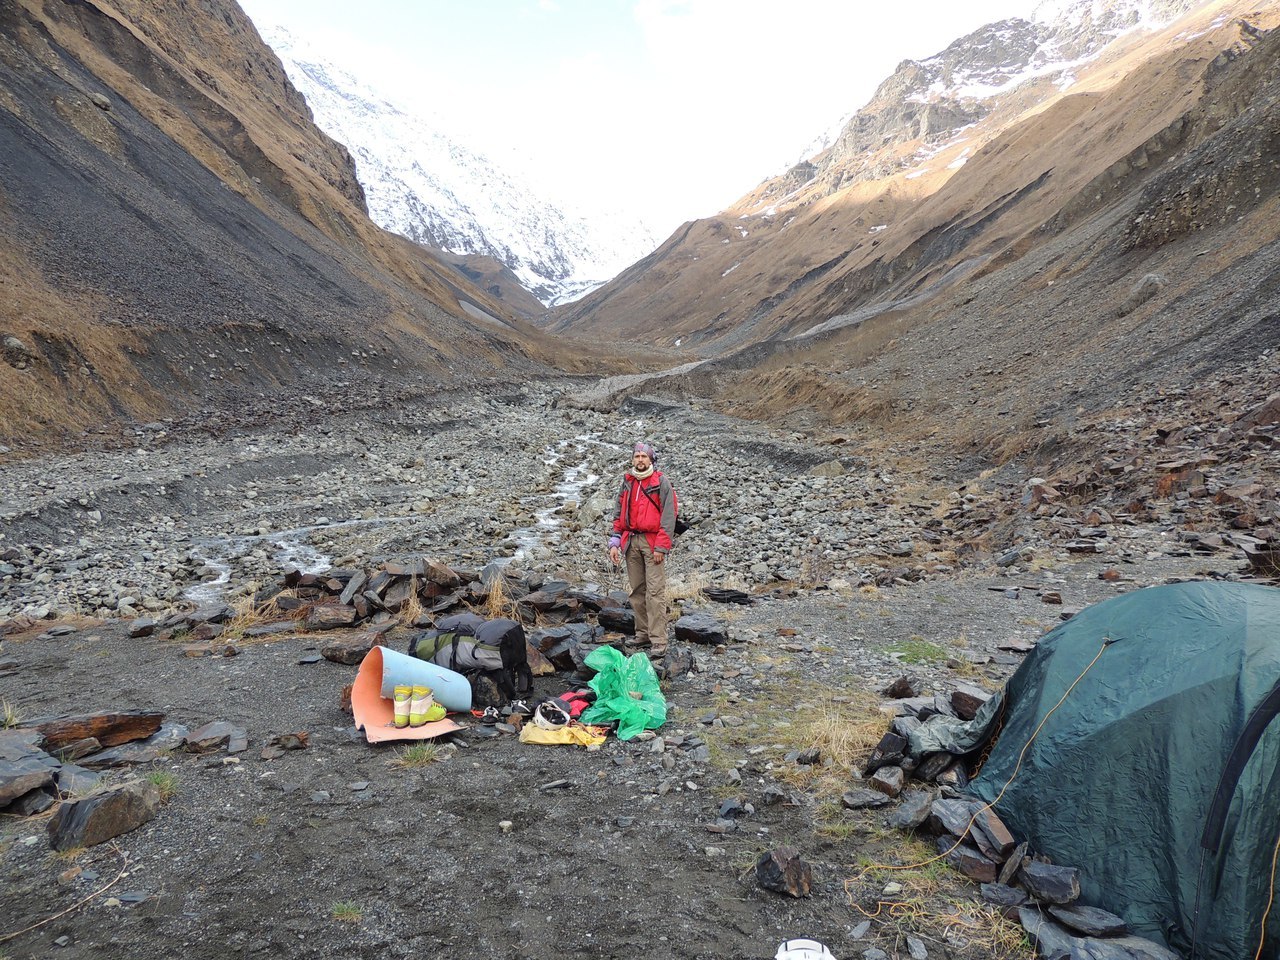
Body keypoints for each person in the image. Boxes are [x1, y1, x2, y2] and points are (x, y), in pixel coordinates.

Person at [607, 441, 676, 655]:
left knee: (655, 592)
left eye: (644, 457)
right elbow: (620, 512)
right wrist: (615, 540)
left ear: (651, 460)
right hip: (631, 542)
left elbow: (669, 515)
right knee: (637, 591)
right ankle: (643, 634)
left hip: (652, 542)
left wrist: (661, 547)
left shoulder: (661, 482)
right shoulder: (628, 481)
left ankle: (659, 640)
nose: (639, 460)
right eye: (636, 456)